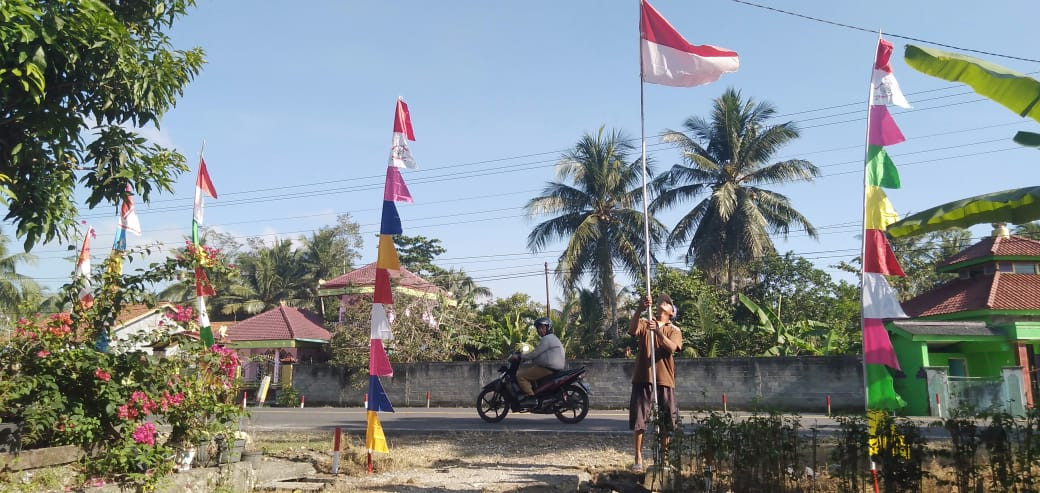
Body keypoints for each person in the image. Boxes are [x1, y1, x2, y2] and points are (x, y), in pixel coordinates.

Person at [628, 294, 682, 473]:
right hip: (644, 377)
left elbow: (672, 347)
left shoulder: (674, 329)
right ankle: (638, 457)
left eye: (667, 303)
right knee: (640, 419)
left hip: (664, 379)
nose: (662, 303)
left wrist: (657, 331)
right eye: (661, 301)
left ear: (671, 312)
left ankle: (664, 458)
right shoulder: (645, 322)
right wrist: (639, 309)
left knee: (667, 420)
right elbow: (632, 329)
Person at [513, 317, 565, 407]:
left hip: (547, 369)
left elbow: (535, 354)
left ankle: (531, 397)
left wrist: (520, 356)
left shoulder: (547, 339)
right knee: (531, 369)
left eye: (542, 328)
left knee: (521, 376)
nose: (540, 330)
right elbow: (539, 355)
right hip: (552, 368)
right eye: (538, 328)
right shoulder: (553, 338)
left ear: (548, 328)